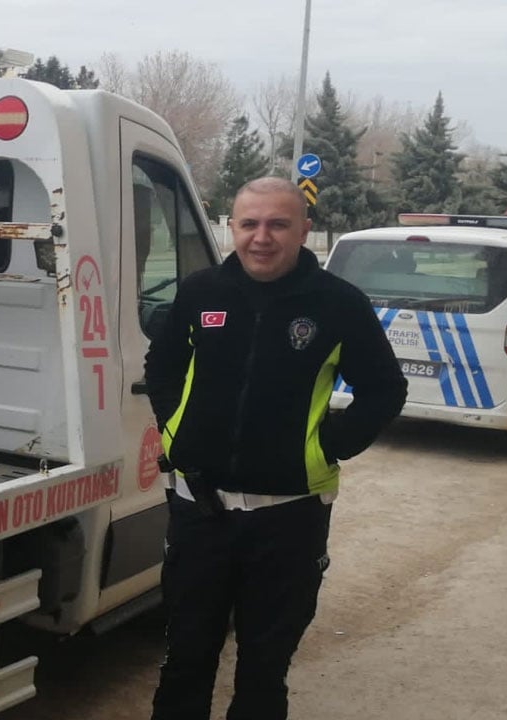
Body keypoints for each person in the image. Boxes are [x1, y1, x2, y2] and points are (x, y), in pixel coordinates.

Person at [143, 176, 407, 719]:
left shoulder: (338, 304)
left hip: (289, 519)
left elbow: (384, 389)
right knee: (185, 660)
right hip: (200, 513)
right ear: (232, 229)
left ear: (304, 231)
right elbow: (161, 366)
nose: (261, 237)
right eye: (249, 224)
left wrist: (326, 448)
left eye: (278, 224)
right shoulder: (200, 292)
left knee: (264, 670)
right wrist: (175, 432)